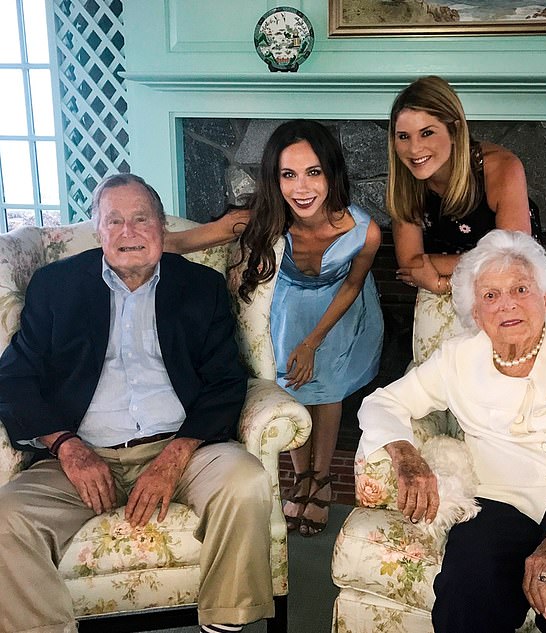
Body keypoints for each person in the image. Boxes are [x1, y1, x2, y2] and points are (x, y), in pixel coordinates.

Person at [0, 173, 273, 633]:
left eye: (141, 219)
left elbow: (226, 380)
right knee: (4, 520)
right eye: (115, 221)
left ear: (162, 227)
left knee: (246, 482)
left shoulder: (200, 288)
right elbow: (14, 377)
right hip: (80, 455)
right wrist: (66, 446)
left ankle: (226, 621)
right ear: (98, 231)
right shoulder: (55, 287)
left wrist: (177, 453)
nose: (129, 232)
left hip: (183, 449)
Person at [358, 229, 546, 633]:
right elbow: (382, 402)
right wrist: (406, 455)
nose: (507, 304)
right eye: (490, 295)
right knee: (465, 590)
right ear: (475, 312)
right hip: (500, 500)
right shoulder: (457, 358)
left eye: (520, 289)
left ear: (544, 299)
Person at [169, 120, 384, 537]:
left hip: (339, 309)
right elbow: (181, 242)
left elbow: (354, 283)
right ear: (275, 178)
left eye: (313, 172)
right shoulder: (255, 219)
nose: (301, 188)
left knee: (328, 389)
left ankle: (321, 480)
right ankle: (300, 476)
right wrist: (119, 239)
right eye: (288, 175)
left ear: (331, 173)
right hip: (287, 307)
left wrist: (313, 341)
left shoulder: (365, 231)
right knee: (289, 388)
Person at [387, 75, 535, 294]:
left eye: (427, 133)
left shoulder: (501, 168)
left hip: (514, 290)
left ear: (455, 131)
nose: (414, 149)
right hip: (444, 292)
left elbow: (514, 261)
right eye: (403, 136)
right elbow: (410, 265)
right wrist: (491, 260)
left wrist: (443, 284)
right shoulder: (405, 178)